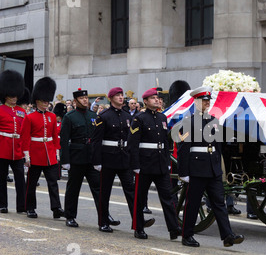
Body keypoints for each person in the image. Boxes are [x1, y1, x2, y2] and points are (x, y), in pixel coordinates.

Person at [176, 86, 244, 247]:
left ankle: (228, 235)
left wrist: (219, 167)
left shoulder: (213, 121)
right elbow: (183, 150)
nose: (207, 103)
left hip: (212, 168)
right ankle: (187, 235)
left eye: (208, 100)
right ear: (196, 101)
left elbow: (218, 146)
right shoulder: (188, 123)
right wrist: (183, 172)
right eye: (204, 100)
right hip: (197, 168)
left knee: (219, 202)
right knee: (193, 203)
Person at [60, 88, 120, 228]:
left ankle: (105, 216)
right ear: (75, 101)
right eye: (82, 99)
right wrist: (65, 160)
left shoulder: (93, 115)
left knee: (99, 188)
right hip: (76, 157)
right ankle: (70, 216)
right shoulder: (69, 117)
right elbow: (64, 140)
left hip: (92, 157)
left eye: (86, 98)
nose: (85, 100)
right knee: (73, 188)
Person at [128, 88, 182, 240]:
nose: (157, 100)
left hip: (160, 164)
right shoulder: (139, 118)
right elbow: (133, 143)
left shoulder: (162, 117)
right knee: (140, 197)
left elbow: (165, 142)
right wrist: (135, 165)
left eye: (157, 98)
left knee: (168, 197)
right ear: (145, 101)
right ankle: (138, 228)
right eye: (152, 98)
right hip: (144, 164)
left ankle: (173, 228)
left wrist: (167, 163)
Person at [92, 87, 144, 233]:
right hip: (108, 158)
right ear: (111, 98)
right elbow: (96, 141)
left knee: (131, 191)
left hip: (124, 158)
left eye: (122, 95)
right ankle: (103, 221)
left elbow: (133, 140)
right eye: (117, 95)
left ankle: (138, 223)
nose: (121, 97)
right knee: (105, 192)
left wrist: (134, 160)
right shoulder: (103, 116)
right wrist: (97, 162)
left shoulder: (128, 115)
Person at [21, 77, 64, 219]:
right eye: (44, 101)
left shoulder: (52, 116)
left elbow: (54, 136)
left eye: (47, 101)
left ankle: (56, 208)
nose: (46, 103)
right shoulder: (30, 117)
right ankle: (30, 208)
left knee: (53, 183)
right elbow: (25, 138)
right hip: (35, 154)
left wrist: (57, 152)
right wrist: (26, 156)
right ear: (37, 101)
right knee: (31, 183)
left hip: (50, 154)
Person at [0, 70, 27, 214]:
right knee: (1, 179)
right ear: (5, 95)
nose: (15, 98)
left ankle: (21, 206)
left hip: (17, 150)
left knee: (20, 180)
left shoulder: (21, 111)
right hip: (2, 148)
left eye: (16, 95)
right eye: (12, 96)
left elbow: (24, 132)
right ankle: (2, 204)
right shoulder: (0, 110)